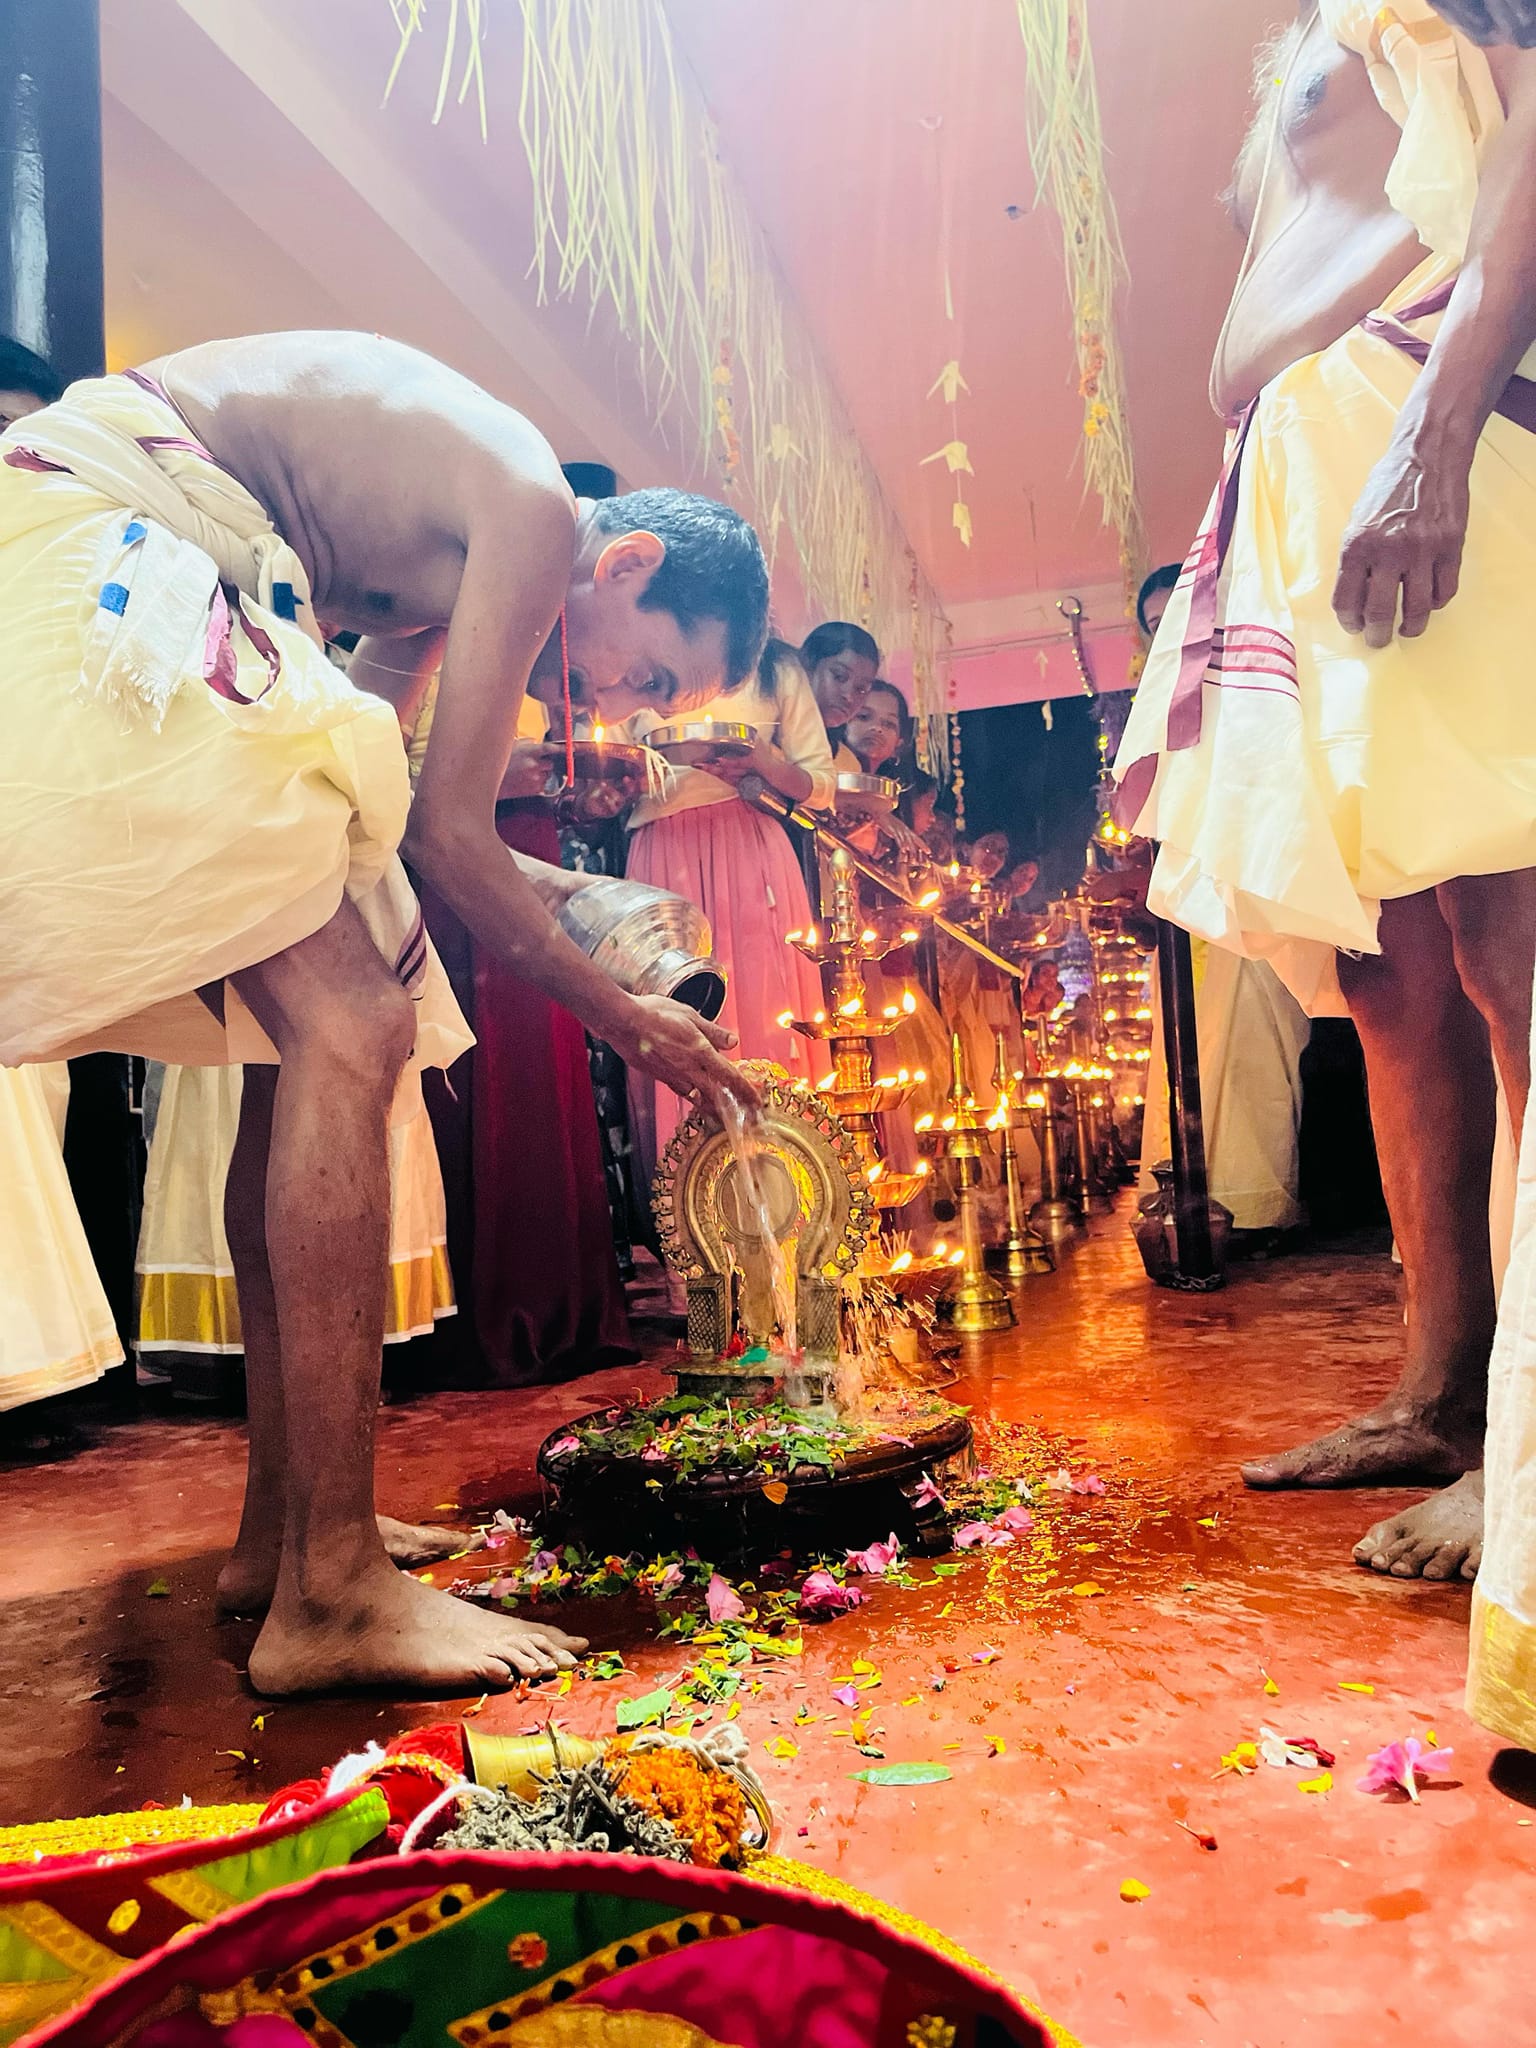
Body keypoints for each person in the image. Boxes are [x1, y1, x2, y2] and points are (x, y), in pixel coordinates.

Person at [0, 331, 767, 1695]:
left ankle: (285, 1540)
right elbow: (457, 842)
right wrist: (630, 1017)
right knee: (357, 1021)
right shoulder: (533, 510)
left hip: (119, 539)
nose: (632, 712)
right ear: (629, 565)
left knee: (296, 1036)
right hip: (101, 540)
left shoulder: (455, 553)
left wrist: (565, 922)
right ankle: (338, 1593)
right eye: (652, 675)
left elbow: (377, 802)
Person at [1112, 7, 1536, 1587]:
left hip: (1435, 447)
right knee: (1387, 976)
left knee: (1516, 962)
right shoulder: (1325, 29)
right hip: (1312, 473)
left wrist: (1429, 438)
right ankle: (1441, 1394)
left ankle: (1528, 1442)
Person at [1132, 566, 1312, 1246]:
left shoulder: (1261, 676)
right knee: (1191, 1055)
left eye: (1179, 614)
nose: (1171, 632)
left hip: (1258, 884)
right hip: (1188, 899)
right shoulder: (1160, 701)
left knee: (1261, 1052)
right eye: (1156, 625)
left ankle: (1260, 1207)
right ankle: (1190, 1210)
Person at [620, 635, 831, 1195]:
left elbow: (822, 784)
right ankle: (697, 1231)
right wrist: (633, 771)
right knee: (675, 1015)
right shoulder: (630, 652)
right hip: (663, 849)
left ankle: (796, 1209)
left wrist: (763, 762)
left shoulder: (775, 664)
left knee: (765, 1013)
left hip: (750, 841)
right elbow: (603, 764)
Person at [800, 622, 880, 760]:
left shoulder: (847, 764)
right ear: (807, 664)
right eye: (839, 676)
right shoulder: (762, 733)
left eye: (861, 689)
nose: (849, 697)